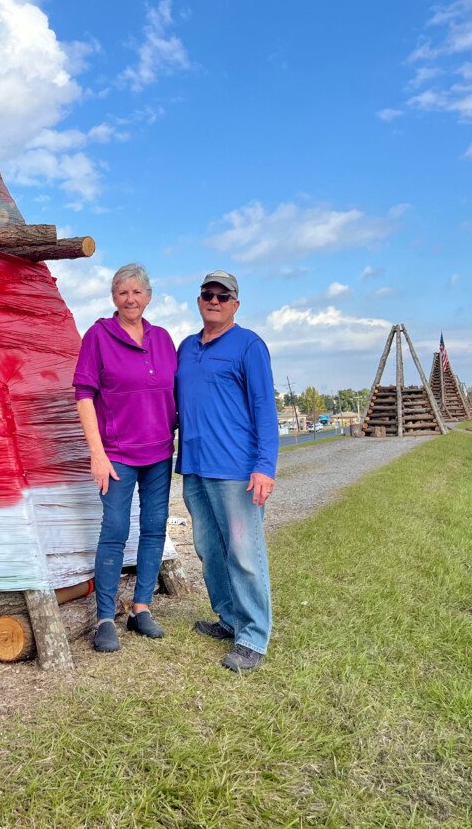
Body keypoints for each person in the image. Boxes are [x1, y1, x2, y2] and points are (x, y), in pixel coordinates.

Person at [175, 270, 279, 673]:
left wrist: (264, 467)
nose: (213, 300)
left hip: (237, 471)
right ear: (199, 300)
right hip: (195, 468)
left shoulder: (249, 346)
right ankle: (229, 619)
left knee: (244, 553)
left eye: (223, 295)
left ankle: (253, 637)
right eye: (207, 294)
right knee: (209, 549)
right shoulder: (186, 348)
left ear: (236, 303)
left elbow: (265, 413)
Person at [73, 263, 177, 652]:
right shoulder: (99, 336)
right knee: (114, 531)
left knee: (154, 529)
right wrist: (96, 454)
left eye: (137, 292)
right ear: (113, 298)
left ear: (148, 297)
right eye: (122, 292)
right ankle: (104, 618)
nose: (130, 299)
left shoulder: (163, 339)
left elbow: (175, 394)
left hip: (159, 454)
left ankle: (141, 609)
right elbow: (84, 395)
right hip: (116, 455)